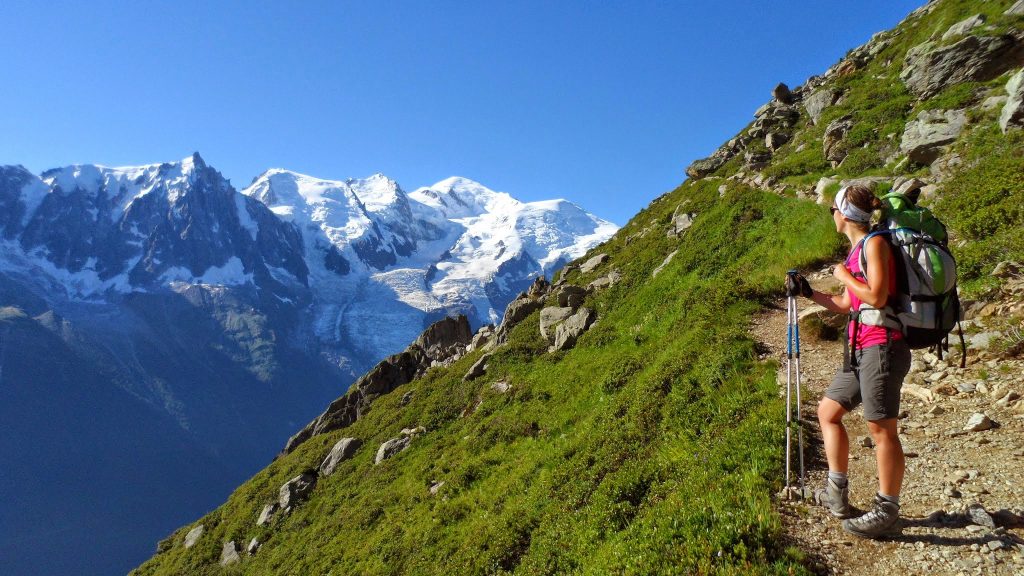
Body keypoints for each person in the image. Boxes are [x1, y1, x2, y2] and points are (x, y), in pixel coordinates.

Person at [787, 185, 911, 539]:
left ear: (845, 214)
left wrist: (844, 276)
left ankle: (887, 510)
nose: (832, 215)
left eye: (833, 209)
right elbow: (846, 305)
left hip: (883, 346)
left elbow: (876, 294)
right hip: (860, 349)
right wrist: (810, 292)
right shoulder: (858, 249)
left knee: (881, 429)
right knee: (828, 412)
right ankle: (836, 493)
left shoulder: (874, 244)